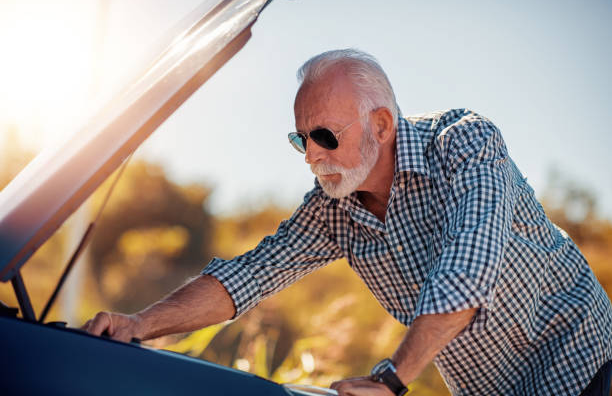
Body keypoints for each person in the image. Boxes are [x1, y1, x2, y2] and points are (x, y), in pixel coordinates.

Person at [84, 49, 612, 396]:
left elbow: (467, 269)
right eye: (301, 139)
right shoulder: (332, 207)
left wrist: (392, 380)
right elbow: (248, 275)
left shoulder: (464, 143)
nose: (311, 155)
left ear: (381, 124)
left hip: (587, 364)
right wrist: (140, 324)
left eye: (326, 137)